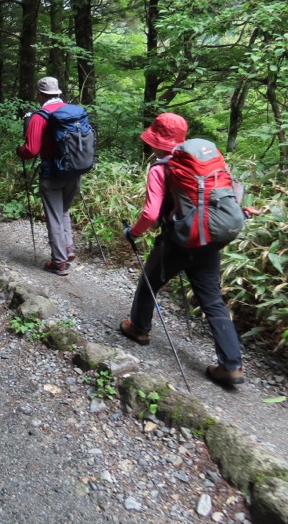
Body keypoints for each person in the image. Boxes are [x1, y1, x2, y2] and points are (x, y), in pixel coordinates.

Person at [120, 112, 248, 387]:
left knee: (148, 284)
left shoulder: (160, 169)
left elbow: (151, 214)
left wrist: (133, 233)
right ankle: (232, 365)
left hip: (177, 242)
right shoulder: (204, 162)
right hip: (211, 239)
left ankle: (139, 329)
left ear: (155, 140)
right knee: (213, 299)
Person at [16, 76, 80, 276]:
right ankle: (68, 247)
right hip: (75, 170)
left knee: (53, 214)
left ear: (40, 94)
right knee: (64, 210)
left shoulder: (39, 116)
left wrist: (20, 150)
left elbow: (31, 151)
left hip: (52, 172)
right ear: (59, 93)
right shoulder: (73, 112)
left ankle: (59, 262)